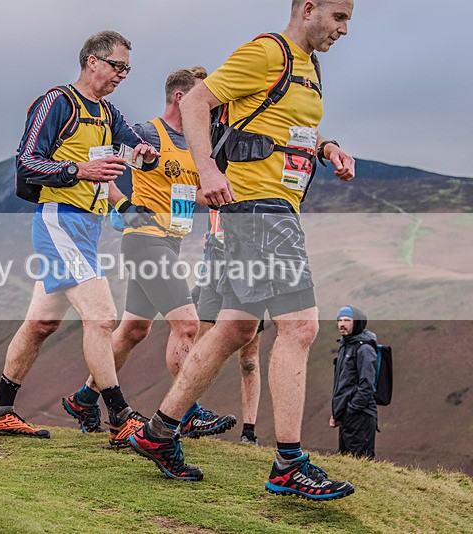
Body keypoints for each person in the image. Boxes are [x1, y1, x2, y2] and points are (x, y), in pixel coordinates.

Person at [129, 0, 358, 501]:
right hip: (258, 207)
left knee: (234, 327)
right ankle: (289, 462)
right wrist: (207, 168)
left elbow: (288, 127)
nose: (344, 30)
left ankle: (159, 431)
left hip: (266, 209)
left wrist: (327, 148)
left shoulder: (307, 67)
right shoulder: (266, 52)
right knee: (299, 326)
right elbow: (194, 103)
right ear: (309, 8)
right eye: (338, 18)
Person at [0, 31, 160, 449]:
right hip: (58, 222)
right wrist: (78, 171)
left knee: (41, 323)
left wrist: (146, 155)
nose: (122, 75)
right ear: (91, 61)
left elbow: (133, 147)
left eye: (127, 69)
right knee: (101, 317)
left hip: (88, 226)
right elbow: (26, 160)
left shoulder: (109, 112)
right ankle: (120, 417)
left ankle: (0, 412)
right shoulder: (57, 102)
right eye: (117, 66)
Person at [62, 67, 236, 440]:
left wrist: (228, 196)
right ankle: (186, 411)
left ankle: (84, 398)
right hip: (145, 240)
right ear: (180, 98)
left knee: (134, 330)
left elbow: (194, 192)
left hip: (172, 241)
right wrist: (123, 205)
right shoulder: (145, 134)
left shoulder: (198, 142)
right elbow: (100, 167)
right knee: (187, 324)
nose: (210, 107)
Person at [191, 209, 263, 445]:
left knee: (249, 360)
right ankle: (188, 415)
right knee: (200, 348)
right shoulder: (214, 172)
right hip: (214, 265)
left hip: (249, 267)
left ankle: (249, 432)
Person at [331, 306, 377, 459]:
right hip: (347, 415)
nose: (341, 324)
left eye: (347, 320)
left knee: (361, 462)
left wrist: (352, 409)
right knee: (346, 462)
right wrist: (337, 413)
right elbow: (342, 384)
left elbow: (367, 385)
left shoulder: (364, 349)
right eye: (339, 320)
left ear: (357, 323)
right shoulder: (345, 346)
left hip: (360, 415)